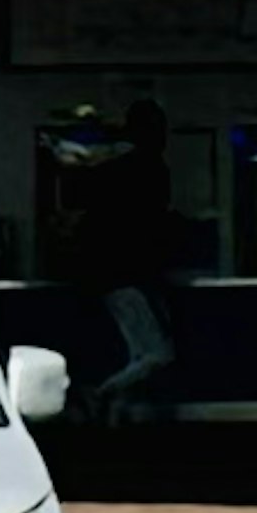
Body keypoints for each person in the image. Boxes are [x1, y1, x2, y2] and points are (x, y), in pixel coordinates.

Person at [77, 99, 178, 425]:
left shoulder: (108, 168)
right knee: (156, 354)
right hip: (131, 275)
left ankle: (115, 406)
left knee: (139, 352)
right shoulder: (150, 169)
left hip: (106, 276)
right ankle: (100, 394)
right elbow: (154, 225)